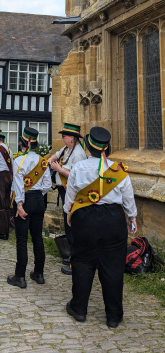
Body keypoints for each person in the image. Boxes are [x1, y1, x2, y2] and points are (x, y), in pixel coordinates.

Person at [63, 126, 137, 328]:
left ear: (88, 147)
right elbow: (128, 198)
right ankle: (113, 316)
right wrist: (133, 218)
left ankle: (79, 309)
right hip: (113, 218)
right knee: (113, 266)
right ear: (107, 148)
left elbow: (70, 197)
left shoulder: (78, 168)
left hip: (85, 219)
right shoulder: (119, 171)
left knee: (83, 262)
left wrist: (69, 214)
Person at [7, 127, 52, 288]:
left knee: (22, 240)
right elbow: (47, 184)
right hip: (39, 199)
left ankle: (19, 276)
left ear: (23, 144)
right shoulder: (42, 161)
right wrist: (37, 194)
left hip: (24, 201)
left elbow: (18, 185)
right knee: (37, 238)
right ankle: (38, 273)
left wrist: (19, 204)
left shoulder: (19, 161)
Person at [48, 123, 87, 275]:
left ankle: (74, 258)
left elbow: (75, 177)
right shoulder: (67, 148)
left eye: (64, 136)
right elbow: (56, 155)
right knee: (67, 222)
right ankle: (71, 253)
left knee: (71, 223)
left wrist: (58, 169)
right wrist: (50, 160)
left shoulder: (78, 154)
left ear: (72, 137)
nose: (62, 138)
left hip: (71, 192)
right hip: (64, 190)